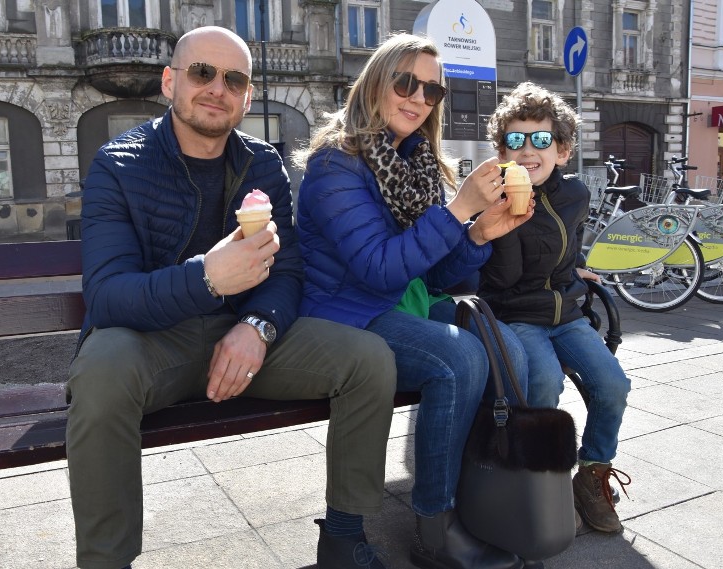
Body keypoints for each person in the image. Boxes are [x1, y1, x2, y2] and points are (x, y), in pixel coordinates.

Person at [67, 26, 398, 569]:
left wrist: (257, 327)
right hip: (153, 342)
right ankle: (106, 561)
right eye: (202, 73)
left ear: (247, 95)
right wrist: (206, 279)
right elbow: (107, 298)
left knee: (368, 360)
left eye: (234, 79)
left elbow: (288, 270)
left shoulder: (263, 162)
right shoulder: (118, 163)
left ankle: (343, 536)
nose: (216, 88)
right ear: (170, 81)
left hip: (243, 337)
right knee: (99, 374)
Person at [294, 34, 533, 569]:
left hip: (404, 305)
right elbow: (379, 268)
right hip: (347, 316)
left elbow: (437, 274)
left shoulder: (417, 162)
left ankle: (485, 504)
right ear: (375, 83)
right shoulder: (337, 164)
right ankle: (435, 527)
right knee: (458, 358)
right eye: (406, 82)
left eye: (433, 90)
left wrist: (477, 234)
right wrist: (457, 211)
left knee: (507, 349)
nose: (419, 97)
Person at [479, 82, 632, 534]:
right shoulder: (492, 201)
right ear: (502, 150)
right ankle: (543, 481)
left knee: (613, 386)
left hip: (566, 314)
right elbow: (500, 281)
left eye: (541, 140)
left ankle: (591, 475)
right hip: (516, 313)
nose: (528, 150)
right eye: (515, 140)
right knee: (544, 383)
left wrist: (578, 268)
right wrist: (504, 219)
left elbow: (568, 248)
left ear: (562, 150)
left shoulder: (576, 196)